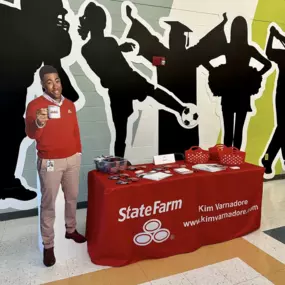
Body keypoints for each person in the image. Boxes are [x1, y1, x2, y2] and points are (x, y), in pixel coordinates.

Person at [78, 2, 189, 158]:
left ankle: (180, 109)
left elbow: (110, 59)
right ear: (97, 23)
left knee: (151, 93)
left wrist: (121, 48)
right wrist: (120, 48)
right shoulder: (92, 47)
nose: (104, 24)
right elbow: (104, 65)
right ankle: (119, 161)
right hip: (121, 85)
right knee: (123, 128)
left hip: (126, 81)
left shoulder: (105, 43)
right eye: (101, 21)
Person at [0, 0, 79, 201]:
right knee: (10, 132)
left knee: (12, 132)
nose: (58, 20)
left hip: (13, 89)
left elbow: (53, 64)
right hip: (8, 89)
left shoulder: (14, 18)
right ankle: (6, 184)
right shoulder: (31, 27)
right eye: (55, 15)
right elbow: (55, 62)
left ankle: (6, 183)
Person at [125, 5, 228, 155]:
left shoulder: (174, 54)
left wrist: (133, 21)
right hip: (173, 109)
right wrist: (132, 19)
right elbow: (207, 43)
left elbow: (147, 38)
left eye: (175, 37)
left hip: (186, 109)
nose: (173, 39)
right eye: (173, 37)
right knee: (171, 141)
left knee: (185, 144)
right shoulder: (175, 55)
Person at [25, 65, 86, 267]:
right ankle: (48, 245)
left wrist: (78, 152)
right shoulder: (35, 106)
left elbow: (75, 130)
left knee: (72, 197)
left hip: (72, 160)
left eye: (57, 80)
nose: (54, 85)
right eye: (49, 81)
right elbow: (31, 134)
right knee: (48, 205)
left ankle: (70, 230)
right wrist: (39, 124)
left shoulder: (69, 105)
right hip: (50, 161)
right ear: (42, 84)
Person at [207, 16, 271, 149]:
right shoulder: (249, 49)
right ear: (245, 31)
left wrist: (215, 71)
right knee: (239, 130)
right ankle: (237, 159)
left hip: (228, 90)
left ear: (232, 30)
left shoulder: (227, 47)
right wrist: (255, 74)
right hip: (243, 92)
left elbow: (206, 59)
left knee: (228, 130)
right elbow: (267, 64)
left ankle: (227, 160)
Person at [261, 25, 285, 174]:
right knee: (283, 128)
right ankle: (269, 159)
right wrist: (274, 36)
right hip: (282, 95)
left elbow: (269, 52)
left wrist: (273, 36)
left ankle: (268, 159)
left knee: (283, 128)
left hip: (281, 94)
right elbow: (269, 53)